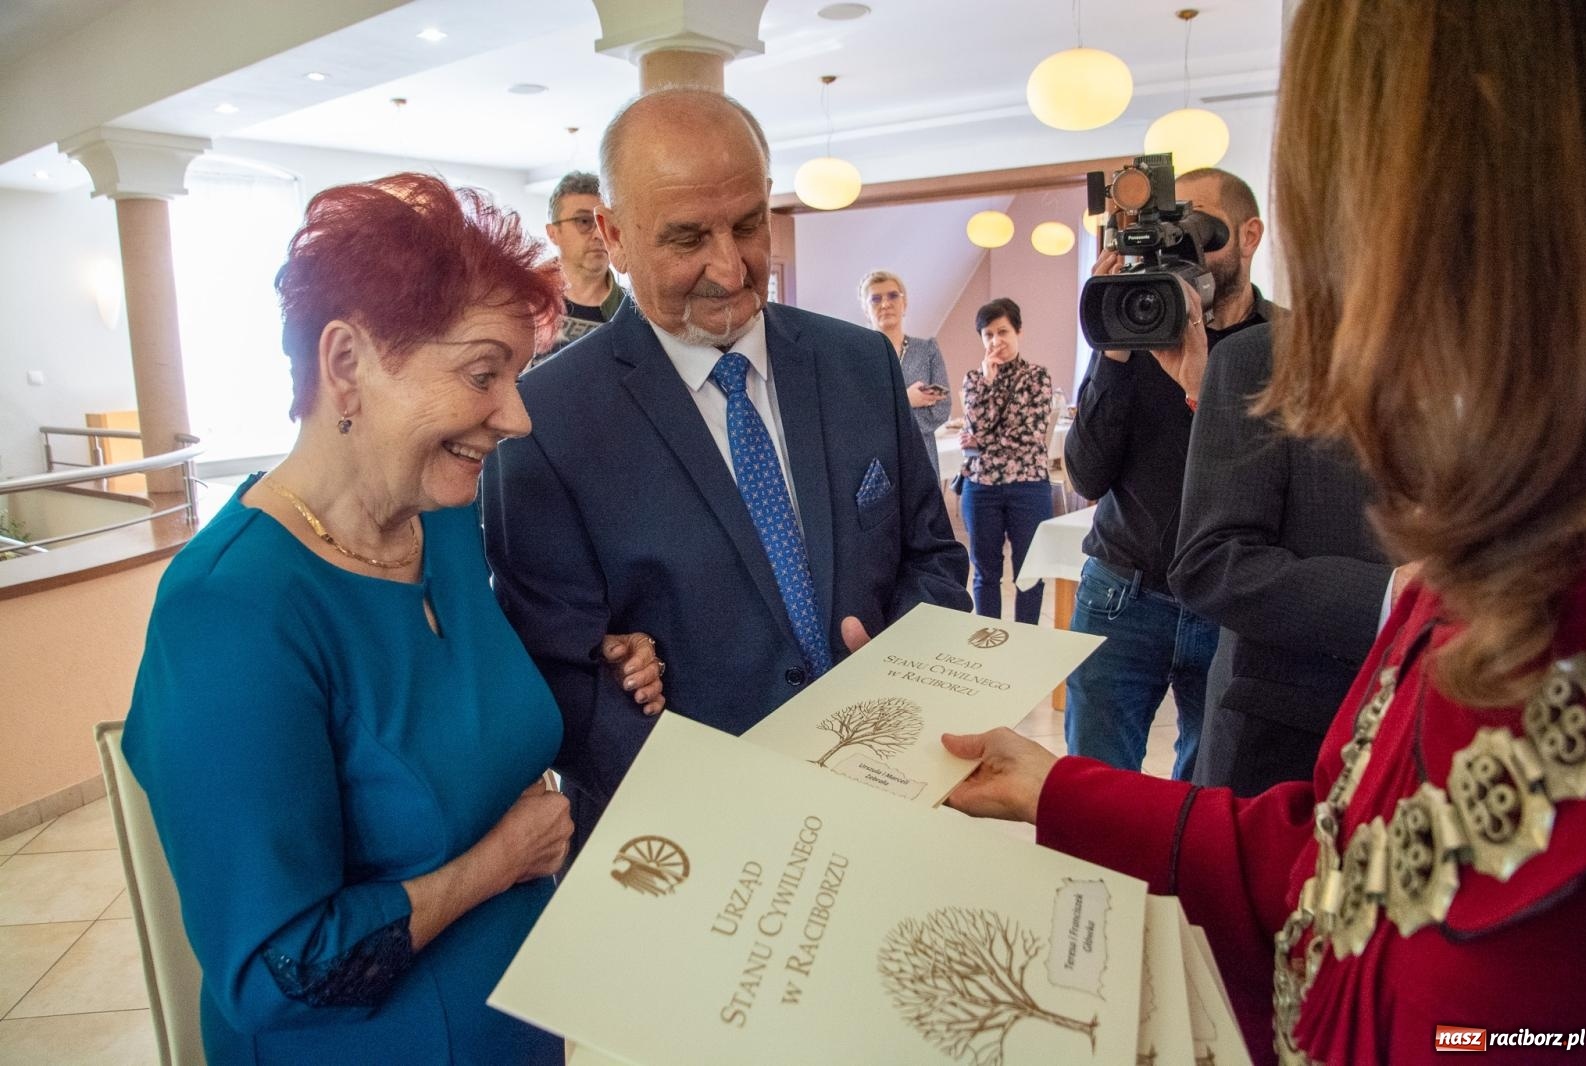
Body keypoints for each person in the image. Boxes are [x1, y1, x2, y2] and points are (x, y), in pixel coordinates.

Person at [942, 1, 1586, 1061]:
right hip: (1126, 579)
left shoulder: (1281, 359)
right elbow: (1336, 864)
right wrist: (1055, 784)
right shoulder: (1485, 562)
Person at [121, 174, 663, 1064]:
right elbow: (277, 969)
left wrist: (591, 654)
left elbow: (432, 701)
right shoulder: (229, 615)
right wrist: (495, 863)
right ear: (346, 365)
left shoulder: (441, 521)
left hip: (513, 1025)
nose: (518, 417)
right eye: (484, 373)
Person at [481, 88, 971, 856]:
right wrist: (718, 795)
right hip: (684, 842)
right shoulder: (544, 422)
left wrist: (897, 671)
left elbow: (933, 559)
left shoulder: (859, 362)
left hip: (884, 800)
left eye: (748, 224)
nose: (730, 265)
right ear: (611, 235)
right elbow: (557, 676)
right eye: (686, 238)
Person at [1062, 165, 1281, 780]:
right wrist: (1110, 351)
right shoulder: (1132, 323)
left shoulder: (1289, 344)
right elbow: (1086, 474)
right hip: (1121, 590)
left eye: (1203, 230)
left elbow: (1287, 479)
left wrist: (1201, 386)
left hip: (1231, 601)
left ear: (1249, 235)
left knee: (1206, 789)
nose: (1185, 246)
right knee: (1095, 790)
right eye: (1170, 228)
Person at [1171, 320, 1419, 795]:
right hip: (1293, 748)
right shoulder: (1261, 359)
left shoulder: (1524, 367)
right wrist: (1391, 595)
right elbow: (1210, 561)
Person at [956, 297, 1053, 624]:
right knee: (984, 575)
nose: (995, 340)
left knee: (1029, 573)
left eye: (1003, 331)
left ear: (1018, 332)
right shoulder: (973, 380)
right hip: (981, 487)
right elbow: (976, 426)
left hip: (1028, 486)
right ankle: (988, 643)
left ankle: (1023, 644)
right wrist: (988, 382)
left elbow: (1030, 434)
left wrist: (982, 441)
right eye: (988, 335)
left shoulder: (1038, 377)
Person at [858, 269, 951, 475]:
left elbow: (942, 408)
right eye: (875, 299)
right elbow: (859, 413)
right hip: (878, 462)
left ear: (904, 303)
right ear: (866, 309)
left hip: (922, 457)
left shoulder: (928, 350)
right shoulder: (857, 357)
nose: (885, 304)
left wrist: (888, 413)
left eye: (892, 295)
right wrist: (906, 399)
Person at [535, 170, 625, 365]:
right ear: (553, 233)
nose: (600, 235)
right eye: (584, 221)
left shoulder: (633, 312)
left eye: (606, 223)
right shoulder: (523, 304)